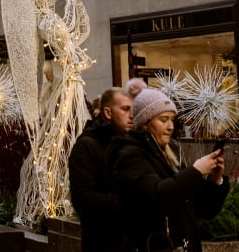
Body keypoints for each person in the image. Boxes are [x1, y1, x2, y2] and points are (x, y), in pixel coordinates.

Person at [109, 88, 228, 252]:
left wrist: (215, 180)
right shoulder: (130, 155)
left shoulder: (173, 152)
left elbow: (202, 210)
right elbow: (156, 198)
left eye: (172, 120)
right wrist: (195, 172)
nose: (170, 126)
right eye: (163, 120)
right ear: (145, 122)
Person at [69, 87, 133, 252]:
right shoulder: (88, 145)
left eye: (133, 109)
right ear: (108, 112)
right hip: (103, 241)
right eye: (125, 109)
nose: (132, 115)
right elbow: (82, 198)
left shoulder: (132, 143)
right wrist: (129, 202)